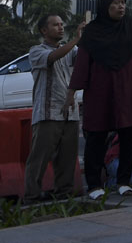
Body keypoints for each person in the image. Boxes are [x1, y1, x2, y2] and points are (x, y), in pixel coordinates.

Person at [66, 0, 132, 199]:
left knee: (129, 134)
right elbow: (82, 64)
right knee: (96, 136)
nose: (121, 6)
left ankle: (123, 182)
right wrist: (71, 92)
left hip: (128, 89)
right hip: (101, 90)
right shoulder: (92, 32)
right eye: (116, 3)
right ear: (105, 6)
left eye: (123, 3)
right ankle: (94, 186)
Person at [24, 15, 84, 202]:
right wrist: (77, 39)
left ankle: (64, 193)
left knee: (67, 158)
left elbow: (84, 59)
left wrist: (88, 39)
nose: (60, 27)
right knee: (39, 158)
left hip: (70, 112)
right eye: (55, 25)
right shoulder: (36, 51)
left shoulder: (73, 49)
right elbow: (53, 57)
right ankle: (31, 195)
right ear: (44, 30)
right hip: (47, 112)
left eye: (61, 24)